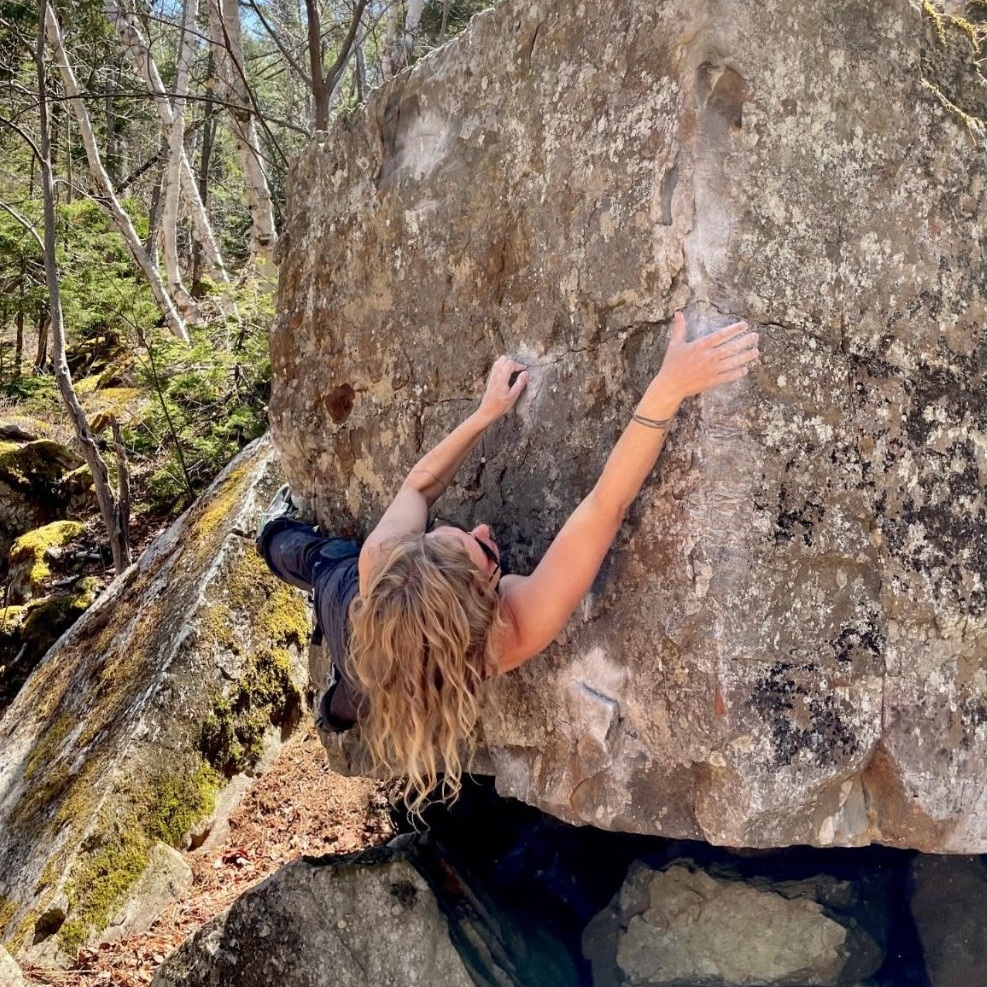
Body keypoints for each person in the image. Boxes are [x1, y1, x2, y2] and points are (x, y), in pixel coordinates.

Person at [257, 312, 759, 814]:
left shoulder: (445, 592)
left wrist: (487, 413)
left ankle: (328, 690)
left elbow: (426, 488)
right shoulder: (459, 602)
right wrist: (665, 390)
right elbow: (601, 504)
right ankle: (279, 559)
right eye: (482, 551)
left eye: (470, 541)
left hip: (364, 633)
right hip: (354, 608)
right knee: (324, 569)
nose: (483, 529)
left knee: (336, 607)